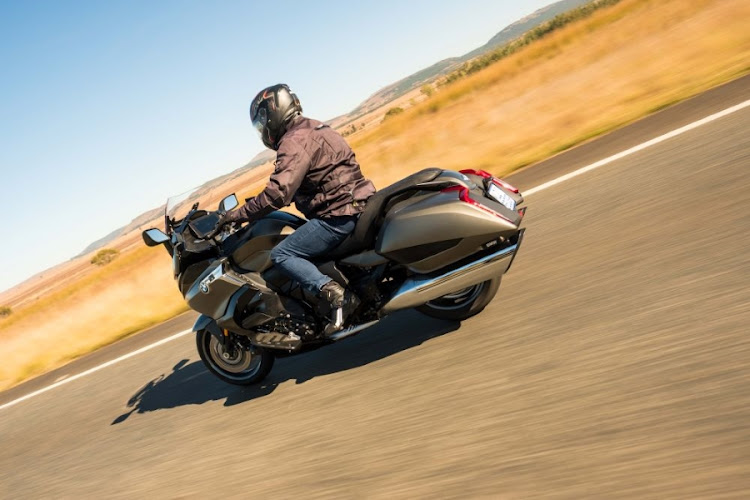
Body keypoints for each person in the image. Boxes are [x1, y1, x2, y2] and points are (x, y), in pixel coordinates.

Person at [220, 83, 376, 334]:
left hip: (337, 215)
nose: (263, 129)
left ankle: (335, 296)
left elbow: (278, 193)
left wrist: (236, 215)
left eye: (262, 122)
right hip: (358, 203)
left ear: (273, 112)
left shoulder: (293, 141)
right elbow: (318, 177)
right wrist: (257, 203)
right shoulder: (317, 127)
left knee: (283, 254)